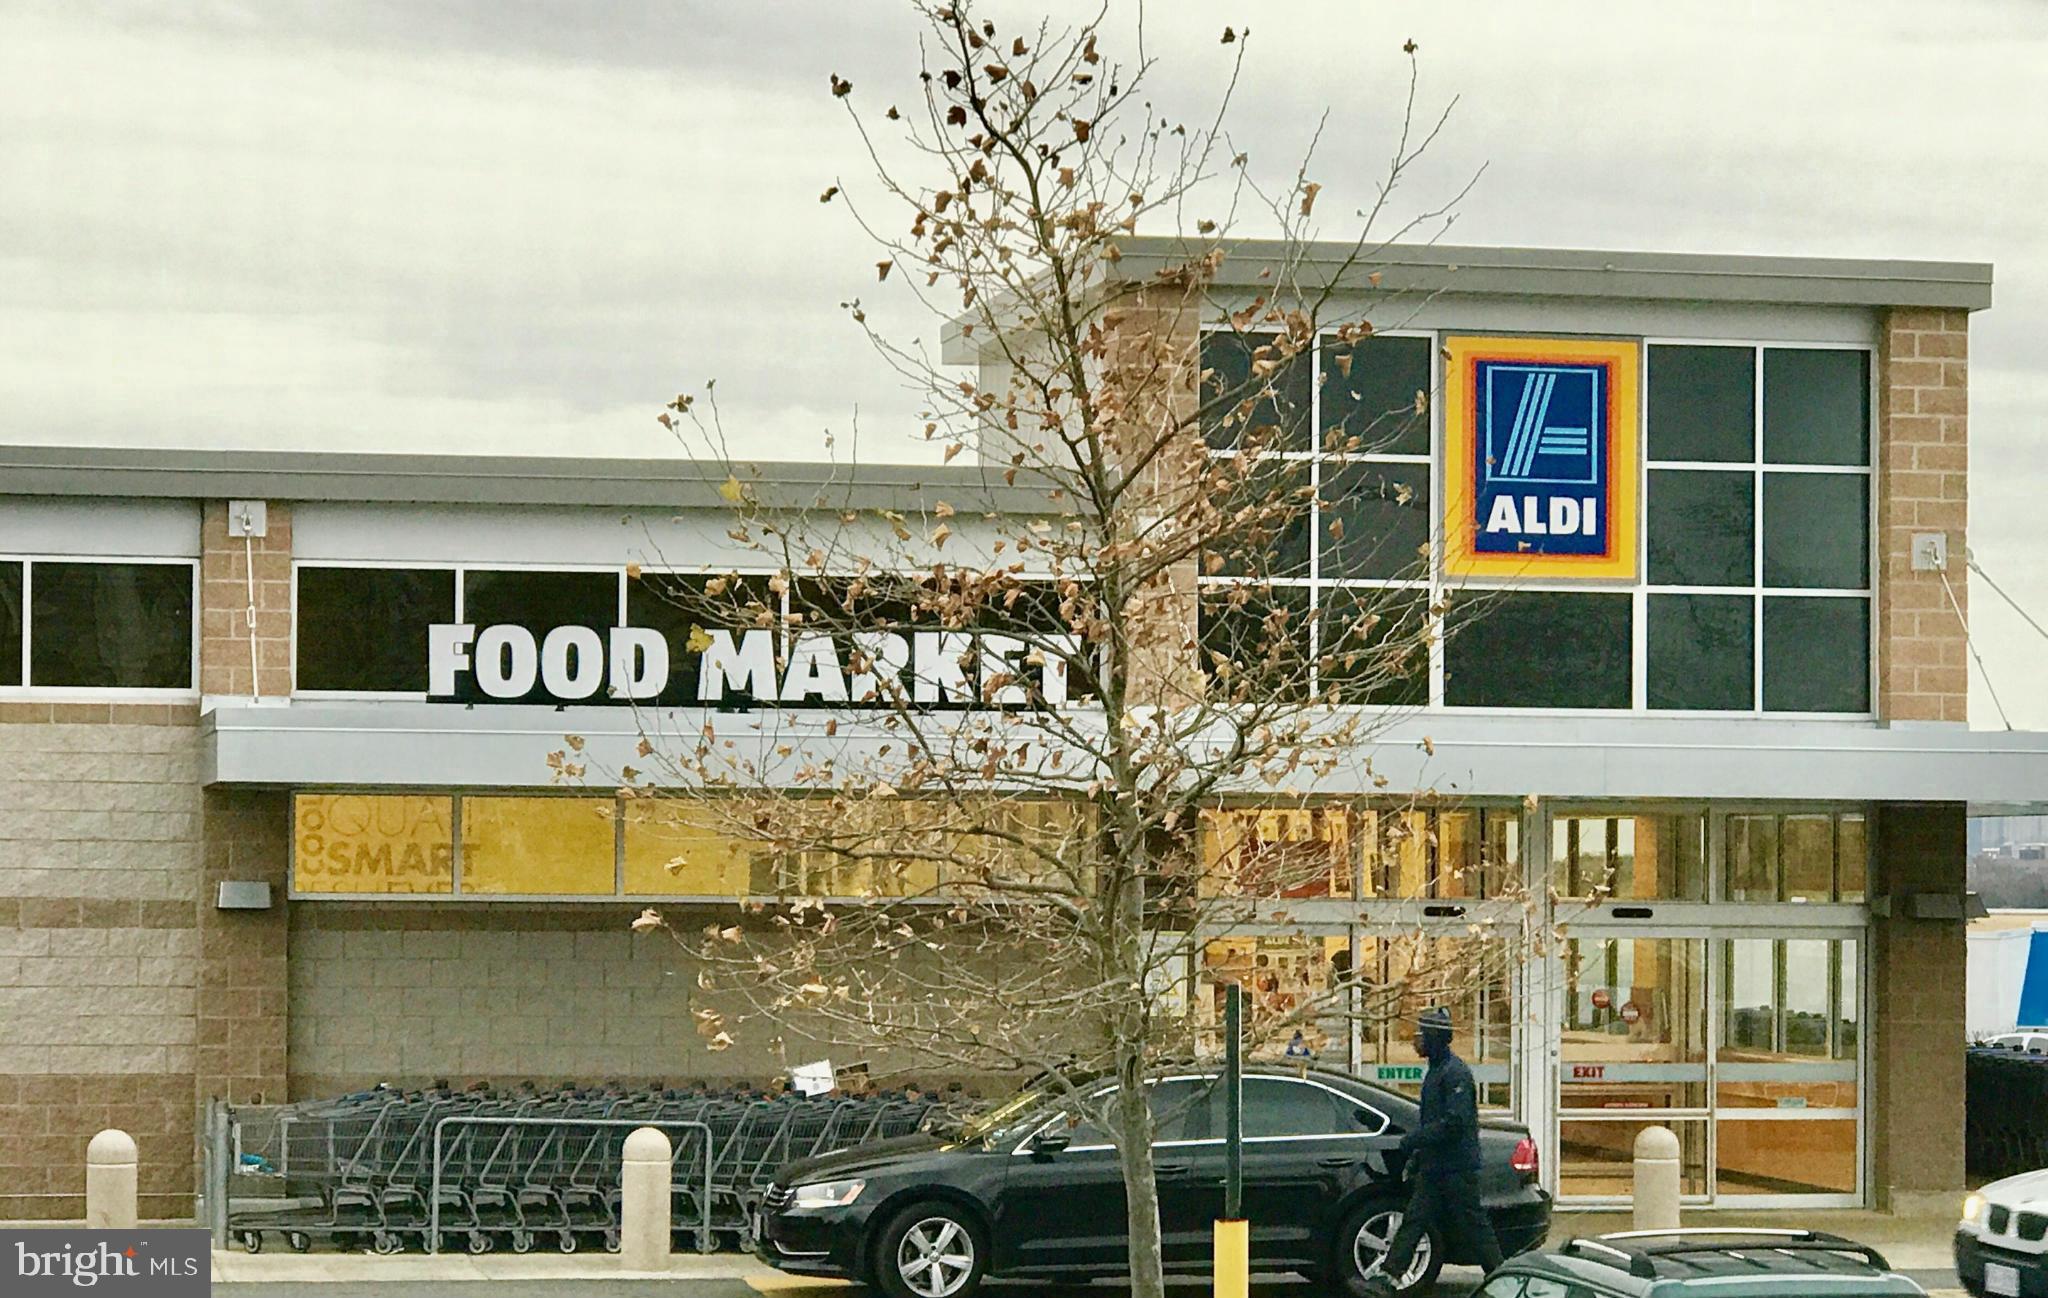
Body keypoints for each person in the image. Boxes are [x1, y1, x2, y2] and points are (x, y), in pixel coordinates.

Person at [1358, 1006, 1503, 1295]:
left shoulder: (1455, 1074)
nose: (1414, 1041)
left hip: (1457, 1169)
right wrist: (1417, 1156)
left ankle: (1503, 1279)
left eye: (1419, 1035)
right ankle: (1389, 1276)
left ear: (1434, 1038)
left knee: (1474, 1226)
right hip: (1435, 1167)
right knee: (1414, 1218)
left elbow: (1454, 1123)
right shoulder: (1437, 1071)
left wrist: (1413, 1141)